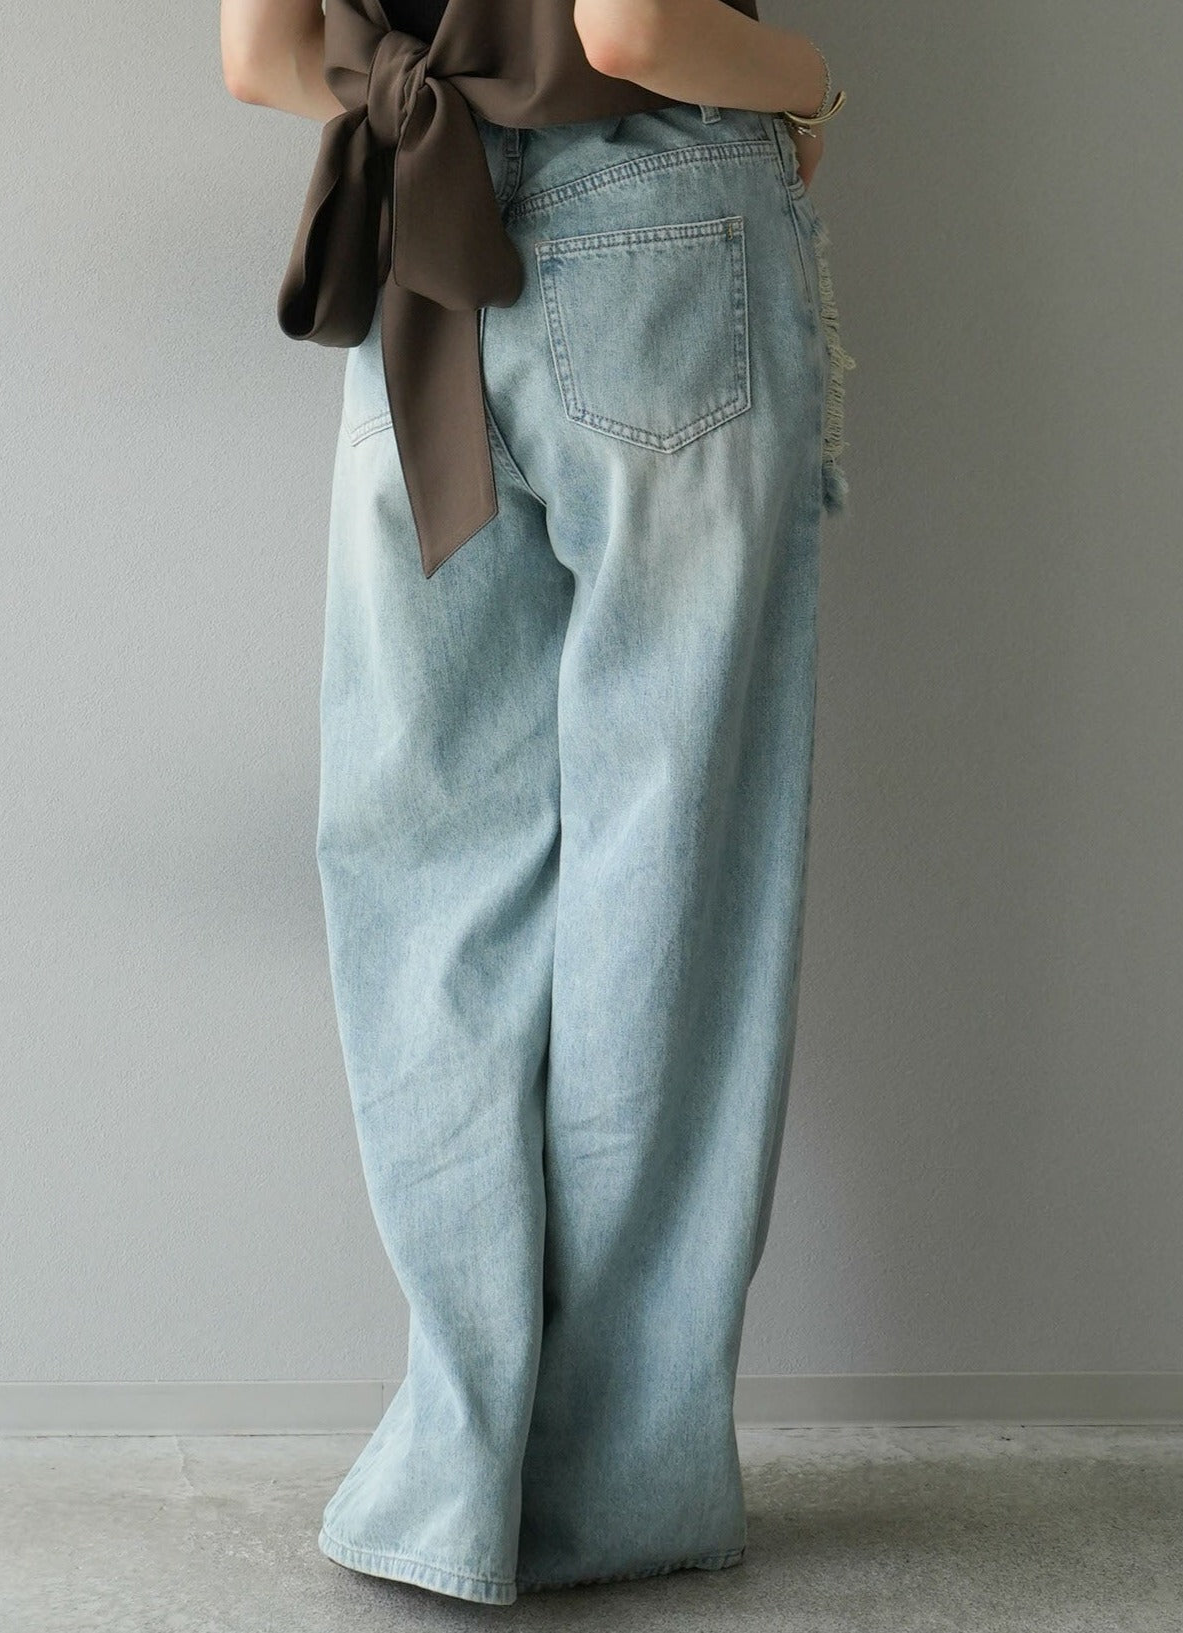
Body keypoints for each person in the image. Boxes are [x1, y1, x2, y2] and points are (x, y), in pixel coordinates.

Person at [222, 0, 852, 1606]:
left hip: (415, 255)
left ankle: (454, 1474)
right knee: (671, 874)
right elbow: (631, 28)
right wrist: (809, 86)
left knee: (429, 878)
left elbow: (264, 62)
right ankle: (609, 1489)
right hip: (661, 245)